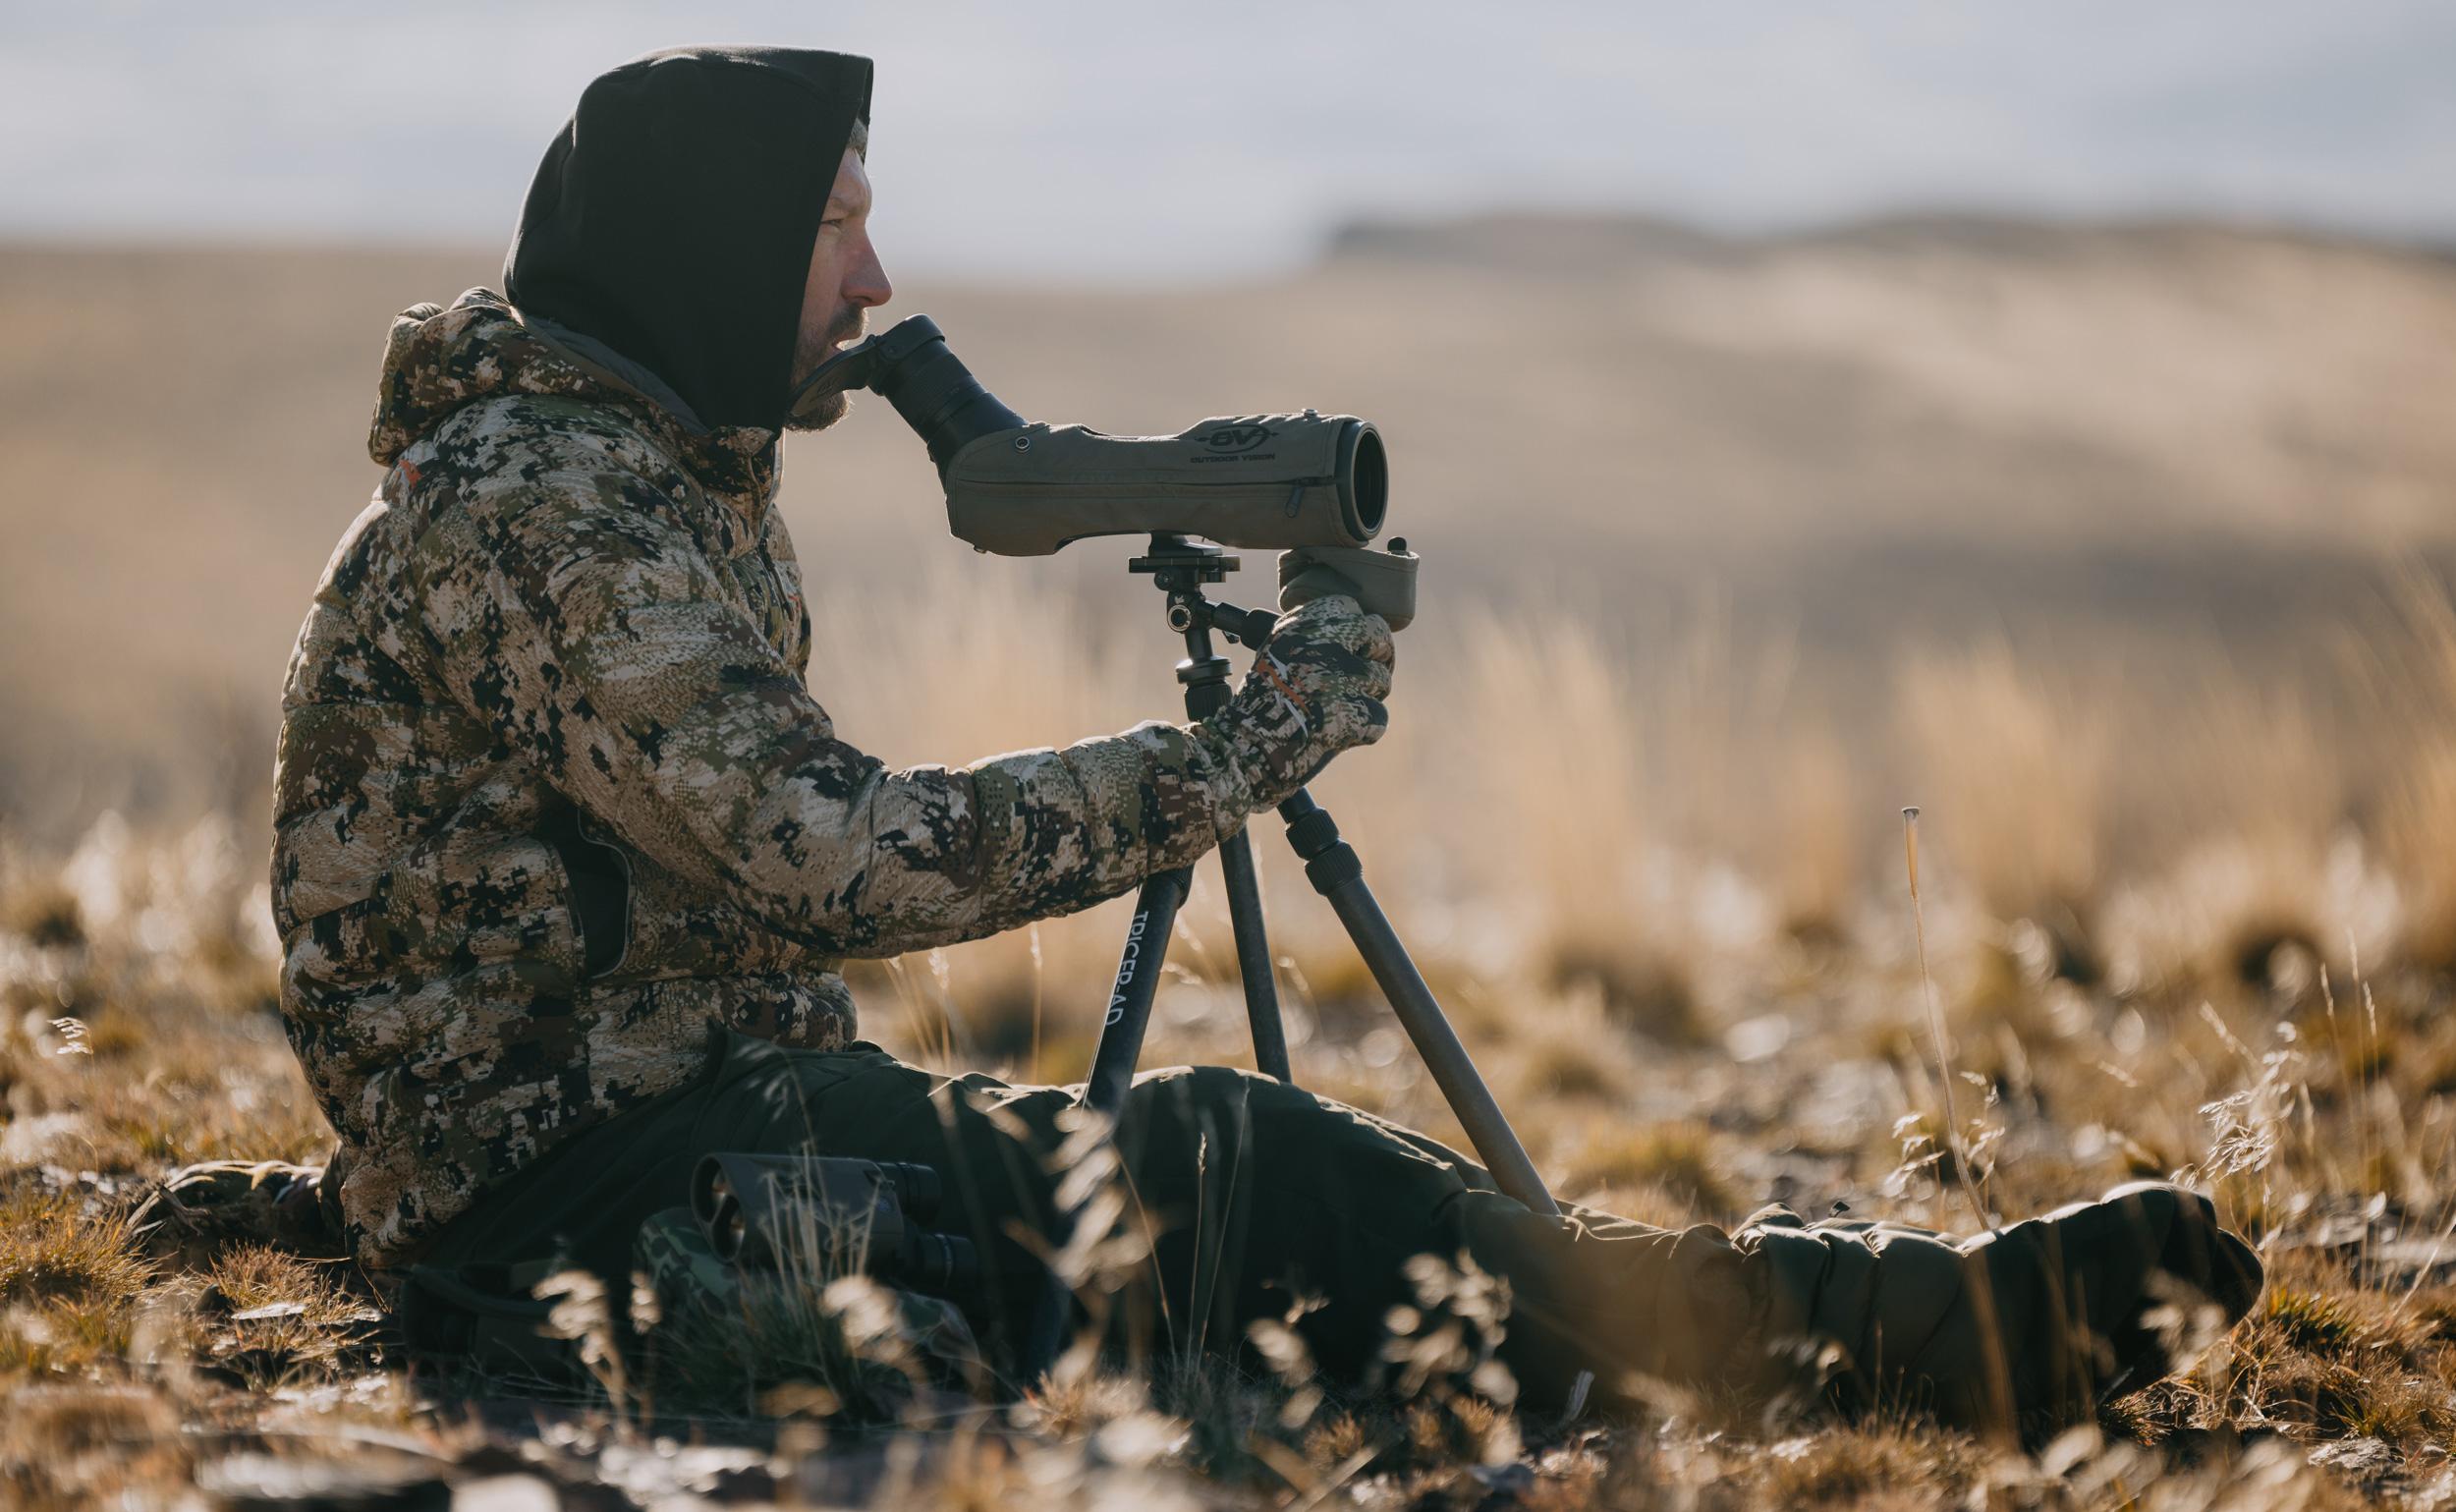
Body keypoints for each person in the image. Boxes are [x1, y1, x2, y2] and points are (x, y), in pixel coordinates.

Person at [174, 45, 2261, 1438]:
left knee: (1205, 1188)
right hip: (587, 1226)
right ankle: (1901, 1336)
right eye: (834, 225)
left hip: (629, 1153)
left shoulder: (617, 473)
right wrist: (1247, 749)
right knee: (1228, 1162)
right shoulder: (552, 508)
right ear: (720, 244)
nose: (877, 273)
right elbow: (835, 857)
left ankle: (1780, 1310)